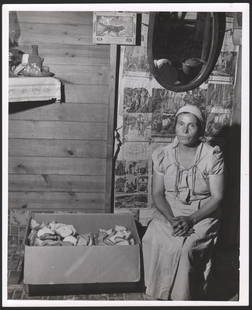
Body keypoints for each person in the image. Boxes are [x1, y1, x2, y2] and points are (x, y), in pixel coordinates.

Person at [142, 104, 224, 300]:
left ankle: (183, 298)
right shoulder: (163, 154)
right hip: (170, 210)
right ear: (175, 127)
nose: (185, 130)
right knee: (154, 237)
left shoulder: (212, 155)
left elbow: (218, 197)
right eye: (181, 124)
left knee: (186, 247)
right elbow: (158, 194)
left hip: (202, 212)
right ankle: (157, 294)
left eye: (191, 126)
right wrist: (171, 219)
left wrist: (191, 220)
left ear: (200, 129)